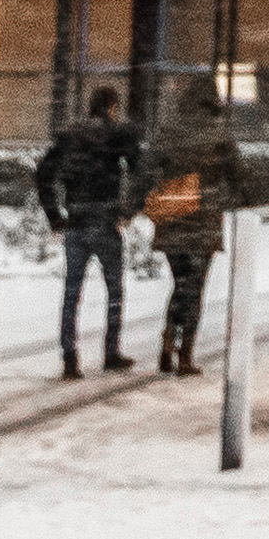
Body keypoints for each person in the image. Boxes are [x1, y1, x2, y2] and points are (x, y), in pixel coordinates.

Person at [40, 85, 144, 378]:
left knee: (72, 290)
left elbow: (44, 173)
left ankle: (69, 356)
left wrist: (54, 215)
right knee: (114, 288)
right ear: (111, 106)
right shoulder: (117, 135)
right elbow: (141, 171)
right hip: (106, 219)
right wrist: (128, 209)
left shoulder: (71, 135)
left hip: (76, 220)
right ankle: (111, 350)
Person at [147, 90, 253, 375]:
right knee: (193, 288)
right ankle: (184, 353)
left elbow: (147, 170)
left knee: (181, 282)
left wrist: (135, 204)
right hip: (202, 222)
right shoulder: (219, 135)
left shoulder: (169, 132)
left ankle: (168, 344)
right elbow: (238, 176)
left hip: (171, 218)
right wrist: (248, 199)